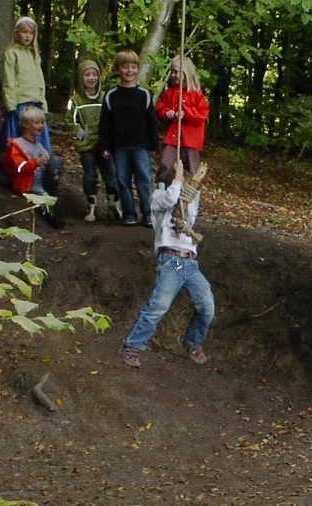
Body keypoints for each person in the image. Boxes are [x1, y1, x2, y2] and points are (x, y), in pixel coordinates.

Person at [120, 159, 213, 367]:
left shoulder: (188, 204)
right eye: (180, 179)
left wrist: (190, 183)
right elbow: (171, 198)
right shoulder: (158, 199)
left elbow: (190, 203)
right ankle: (133, 345)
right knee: (158, 306)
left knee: (207, 306)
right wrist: (177, 177)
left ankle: (192, 342)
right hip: (171, 261)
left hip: (189, 262)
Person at [98, 49, 160, 227]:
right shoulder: (111, 95)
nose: (129, 71)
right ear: (118, 69)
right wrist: (104, 146)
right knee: (122, 180)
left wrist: (154, 144)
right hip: (119, 146)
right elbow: (105, 124)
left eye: (133, 67)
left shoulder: (144, 94)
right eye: (125, 67)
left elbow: (151, 122)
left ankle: (148, 214)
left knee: (144, 179)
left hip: (141, 145)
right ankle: (129, 212)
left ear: (137, 69)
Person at [67, 59, 122, 222]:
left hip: (104, 146)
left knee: (111, 176)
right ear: (81, 78)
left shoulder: (106, 97)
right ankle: (91, 206)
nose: (91, 78)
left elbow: (113, 120)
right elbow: (70, 122)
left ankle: (114, 206)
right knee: (90, 176)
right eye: (87, 75)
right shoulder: (75, 100)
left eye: (94, 74)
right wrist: (79, 135)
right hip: (86, 146)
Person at [2, 106, 64, 227]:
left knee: (56, 160)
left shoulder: (39, 145)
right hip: (29, 181)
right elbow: (19, 168)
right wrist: (36, 162)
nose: (41, 126)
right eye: (36, 123)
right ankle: (49, 213)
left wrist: (48, 162)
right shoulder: (17, 145)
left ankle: (52, 190)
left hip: (43, 178)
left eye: (42, 122)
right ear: (25, 124)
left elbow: (49, 162)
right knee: (42, 198)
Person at [2, 17, 50, 152]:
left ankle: (41, 165)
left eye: (31, 33)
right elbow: (8, 80)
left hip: (36, 102)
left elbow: (40, 80)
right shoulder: (11, 53)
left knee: (37, 135)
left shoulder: (34, 54)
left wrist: (43, 102)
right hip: (20, 103)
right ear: (16, 33)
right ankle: (19, 164)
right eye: (24, 32)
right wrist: (10, 104)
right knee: (21, 136)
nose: (28, 36)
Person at [155, 56, 209, 177]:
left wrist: (186, 113)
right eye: (172, 72)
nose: (173, 75)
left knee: (191, 169)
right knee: (165, 164)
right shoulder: (169, 92)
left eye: (176, 71)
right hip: (172, 138)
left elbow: (202, 115)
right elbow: (160, 109)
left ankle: (189, 193)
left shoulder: (196, 94)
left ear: (186, 72)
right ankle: (162, 191)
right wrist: (166, 112)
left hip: (190, 140)